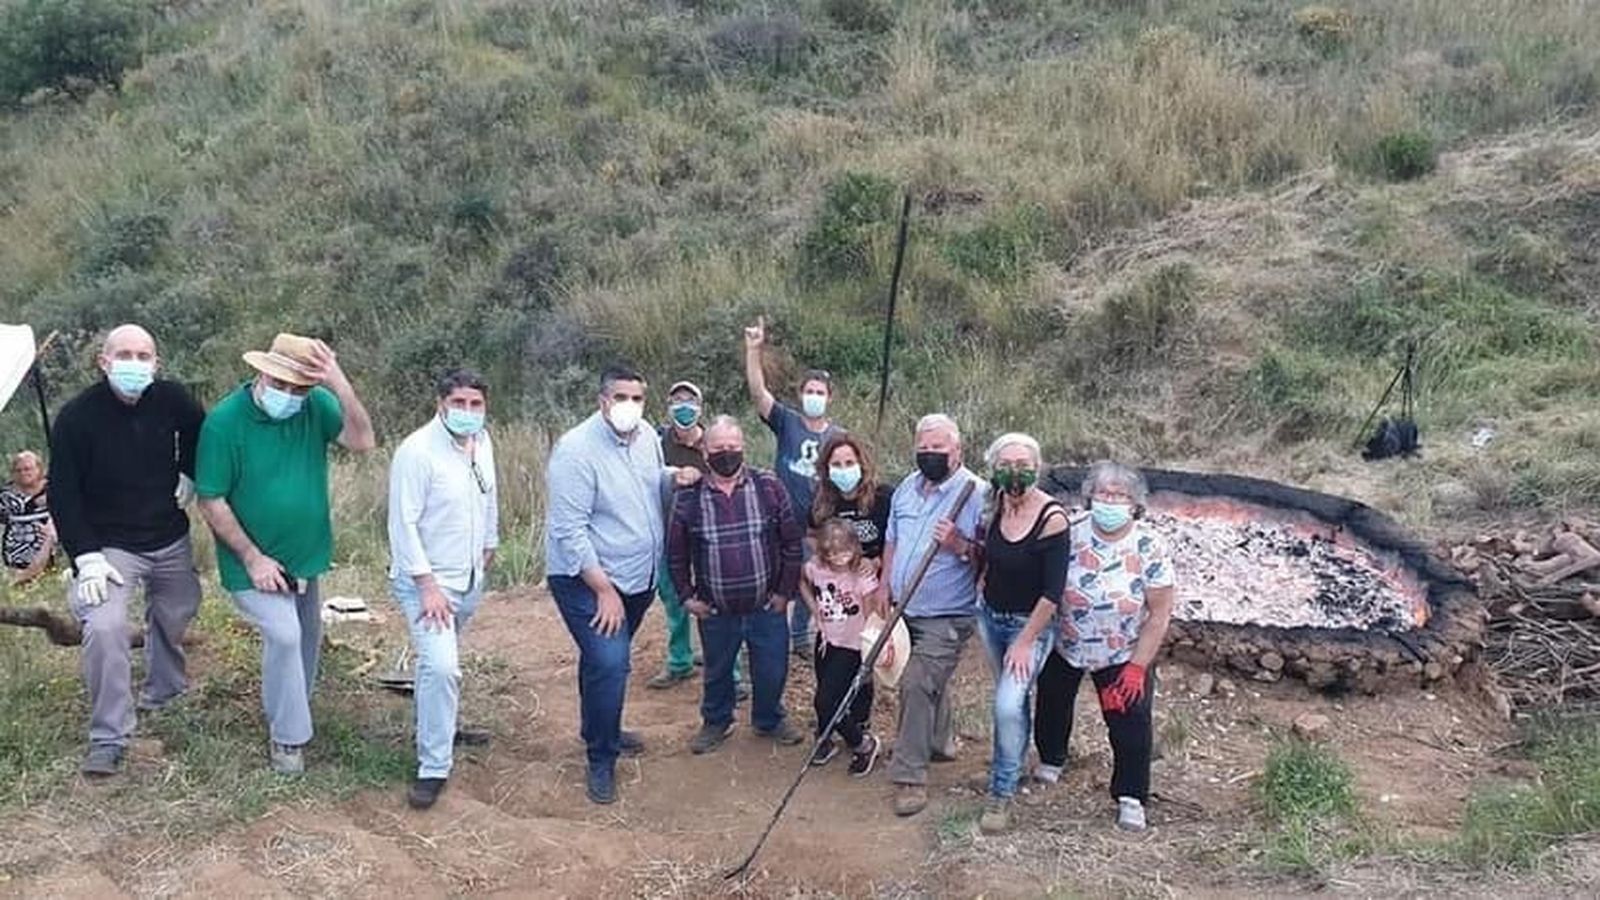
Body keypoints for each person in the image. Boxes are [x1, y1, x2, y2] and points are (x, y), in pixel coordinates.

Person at [196, 333, 376, 775]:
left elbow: (362, 440)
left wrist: (339, 383)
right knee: (284, 634)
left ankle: (294, 705)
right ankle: (288, 739)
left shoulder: (315, 405)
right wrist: (252, 557)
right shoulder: (224, 422)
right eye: (284, 385)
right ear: (262, 373)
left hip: (304, 554)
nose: (291, 395)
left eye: (301, 387)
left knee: (308, 635)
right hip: (250, 560)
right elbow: (211, 500)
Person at [47, 324, 205, 776]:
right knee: (104, 625)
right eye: (125, 355)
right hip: (108, 545)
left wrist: (189, 473)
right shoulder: (77, 417)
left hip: (168, 534)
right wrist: (85, 558)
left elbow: (200, 432)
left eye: (144, 355)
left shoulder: (173, 399)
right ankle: (109, 736)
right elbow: (62, 492)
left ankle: (165, 689)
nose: (135, 364)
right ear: (104, 361)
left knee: (178, 610)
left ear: (156, 363)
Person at [546, 365, 696, 805]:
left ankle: (600, 727)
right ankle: (601, 757)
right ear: (602, 401)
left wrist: (674, 477)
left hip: (638, 577)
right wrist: (603, 590)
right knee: (611, 661)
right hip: (586, 579)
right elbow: (568, 531)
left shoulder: (647, 435)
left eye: (637, 397)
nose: (629, 406)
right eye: (620, 397)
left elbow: (649, 482)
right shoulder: (575, 451)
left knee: (602, 659)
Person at [1033, 461, 1176, 832]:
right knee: (1051, 702)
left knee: (1130, 723)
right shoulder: (1071, 531)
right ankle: (1052, 758)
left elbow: (1159, 613)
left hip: (1121, 651)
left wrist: (1137, 667)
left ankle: (1131, 795)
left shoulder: (1150, 544)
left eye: (1119, 495)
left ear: (1134, 503)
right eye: (1103, 493)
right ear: (1090, 497)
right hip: (1066, 641)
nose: (1110, 500)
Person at [387, 368, 500, 810]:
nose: (468, 412)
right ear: (441, 404)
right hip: (429, 586)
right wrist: (426, 584)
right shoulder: (416, 452)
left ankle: (441, 724)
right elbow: (403, 524)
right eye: (460, 404)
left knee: (439, 668)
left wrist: (489, 544)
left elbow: (488, 495)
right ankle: (433, 767)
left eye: (476, 405)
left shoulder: (483, 443)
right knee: (443, 667)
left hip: (469, 577)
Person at [667, 416, 805, 755]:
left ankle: (768, 719)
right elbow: (675, 553)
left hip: (765, 606)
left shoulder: (768, 486)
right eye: (718, 448)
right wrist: (687, 597)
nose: (726, 454)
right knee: (716, 672)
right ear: (704, 449)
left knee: (772, 669)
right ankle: (716, 721)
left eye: (733, 447)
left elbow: (791, 544)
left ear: (743, 447)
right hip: (716, 610)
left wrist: (784, 593)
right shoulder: (688, 497)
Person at [882, 414, 984, 817]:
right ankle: (940, 743)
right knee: (924, 679)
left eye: (938, 450)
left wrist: (959, 544)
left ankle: (910, 776)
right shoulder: (907, 487)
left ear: (957, 450)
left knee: (916, 682)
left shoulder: (977, 493)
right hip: (905, 607)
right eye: (923, 449)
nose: (930, 456)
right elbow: (892, 539)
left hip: (949, 613)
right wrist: (884, 585)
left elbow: (992, 557)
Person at [974, 433, 1068, 834]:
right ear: (994, 468)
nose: (1015, 471)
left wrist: (1026, 640)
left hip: (1030, 625)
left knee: (1008, 706)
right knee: (1008, 702)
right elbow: (989, 555)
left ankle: (1002, 791)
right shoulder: (996, 504)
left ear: (1037, 465)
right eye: (1006, 463)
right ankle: (1008, 766)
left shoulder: (1052, 518)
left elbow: (1053, 592)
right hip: (990, 616)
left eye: (1023, 463)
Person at [743, 316, 844, 657]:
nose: (814, 396)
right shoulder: (786, 421)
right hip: (778, 521)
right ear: (800, 394)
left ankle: (800, 636)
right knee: (770, 578)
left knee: (812, 581)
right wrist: (753, 351)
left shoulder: (838, 436)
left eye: (820, 392)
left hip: (818, 527)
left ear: (829, 397)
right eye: (809, 391)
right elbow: (759, 393)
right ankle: (753, 642)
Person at [799, 518, 881, 776]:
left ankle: (863, 744)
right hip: (826, 640)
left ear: (855, 547)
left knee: (826, 700)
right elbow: (801, 581)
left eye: (845, 551)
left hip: (852, 645)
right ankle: (825, 738)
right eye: (832, 553)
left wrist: (871, 652)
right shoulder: (816, 568)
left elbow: (871, 615)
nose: (838, 558)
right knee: (825, 689)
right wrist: (815, 610)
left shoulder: (861, 575)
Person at [647, 380, 707, 690]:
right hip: (669, 533)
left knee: (711, 599)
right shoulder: (656, 442)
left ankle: (727, 667)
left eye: (690, 400)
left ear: (700, 406)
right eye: (677, 400)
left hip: (706, 535)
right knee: (673, 598)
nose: (684, 407)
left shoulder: (713, 444)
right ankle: (680, 661)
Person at [810, 434, 893, 579]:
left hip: (879, 578)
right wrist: (828, 558)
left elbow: (899, 538)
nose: (844, 470)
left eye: (849, 463)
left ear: (861, 464)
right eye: (836, 465)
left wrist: (877, 561)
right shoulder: (821, 501)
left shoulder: (883, 497)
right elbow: (811, 534)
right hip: (841, 580)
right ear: (827, 470)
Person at [2, 450, 54, 584]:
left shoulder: (55, 489)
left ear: (39, 469)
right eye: (18, 470)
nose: (23, 473)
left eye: (27, 469)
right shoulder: (5, 496)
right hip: (16, 553)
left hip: (53, 548)